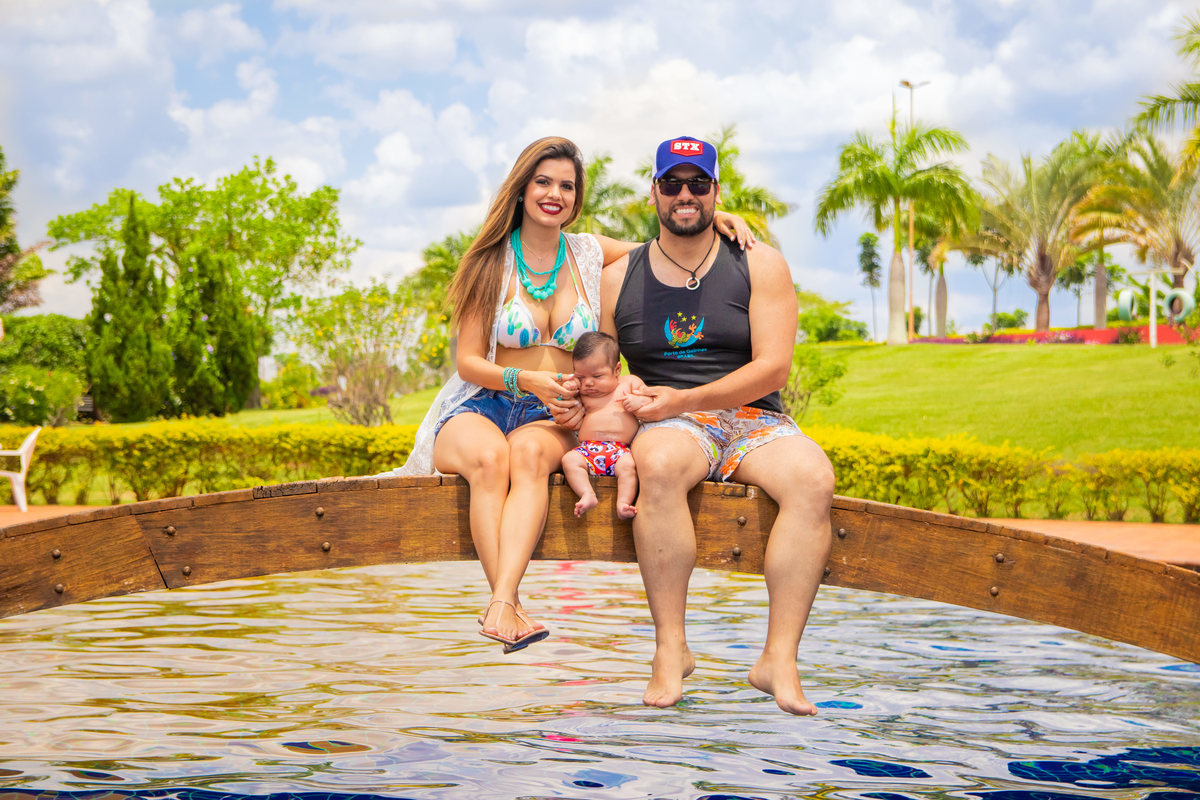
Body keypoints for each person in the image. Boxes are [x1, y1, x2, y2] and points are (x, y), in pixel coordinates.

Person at [392, 136, 753, 654]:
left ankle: (502, 608)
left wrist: (716, 218)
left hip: (556, 413)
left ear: (577, 196)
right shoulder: (488, 262)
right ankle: (506, 602)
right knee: (491, 460)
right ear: (521, 189)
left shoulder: (589, 252)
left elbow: (669, 246)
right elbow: (468, 361)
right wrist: (525, 380)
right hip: (483, 403)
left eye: (566, 185)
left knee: (526, 454)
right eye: (543, 182)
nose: (554, 194)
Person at [597, 136, 835, 715]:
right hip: (671, 425)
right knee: (656, 465)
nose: (686, 194)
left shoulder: (759, 263)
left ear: (716, 191)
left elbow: (773, 368)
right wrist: (625, 391)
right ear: (654, 192)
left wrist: (686, 399)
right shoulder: (617, 276)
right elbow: (607, 367)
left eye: (698, 183)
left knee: (813, 478)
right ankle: (670, 647)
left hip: (754, 418)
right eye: (673, 183)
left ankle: (778, 658)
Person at [561, 331, 648, 520]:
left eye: (597, 376)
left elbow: (650, 400)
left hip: (621, 451)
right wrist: (568, 389)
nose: (588, 383)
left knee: (629, 467)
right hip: (587, 450)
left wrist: (639, 401)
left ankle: (623, 503)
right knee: (569, 460)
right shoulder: (583, 393)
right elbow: (564, 403)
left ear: (617, 370)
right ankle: (587, 494)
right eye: (581, 377)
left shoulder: (629, 384)